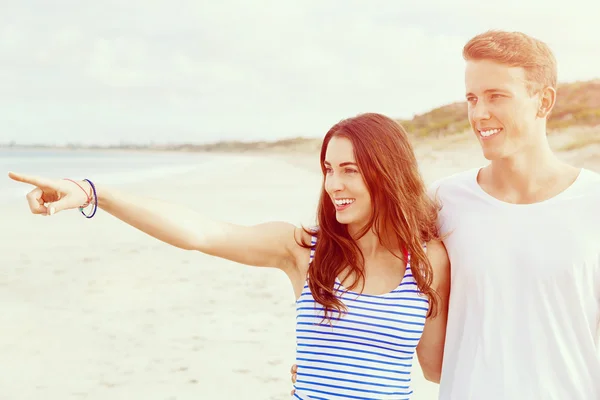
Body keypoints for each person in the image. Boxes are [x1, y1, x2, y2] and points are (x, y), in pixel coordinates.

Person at [8, 112, 451, 400]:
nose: (333, 183)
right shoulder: (304, 249)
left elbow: (436, 370)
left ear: (387, 172)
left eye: (349, 170)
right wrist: (94, 192)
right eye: (328, 169)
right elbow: (201, 233)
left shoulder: (430, 263)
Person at [292, 29, 600, 399]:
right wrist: (330, 359)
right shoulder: (443, 201)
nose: (479, 113)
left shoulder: (593, 202)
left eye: (496, 96)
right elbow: (366, 260)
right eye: (471, 98)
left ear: (544, 101)